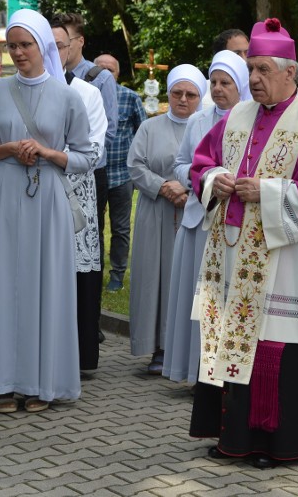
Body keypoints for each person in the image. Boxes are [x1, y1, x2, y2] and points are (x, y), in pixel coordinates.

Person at [188, 18, 298, 468]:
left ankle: (274, 443)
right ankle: (233, 437)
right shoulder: (237, 116)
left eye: (263, 70)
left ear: (289, 73)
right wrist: (215, 179)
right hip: (233, 252)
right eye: (252, 69)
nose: (255, 79)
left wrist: (266, 190)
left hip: (286, 261)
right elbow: (201, 162)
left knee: (272, 348)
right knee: (232, 337)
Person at [0, 9, 93, 413]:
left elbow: (88, 156)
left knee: (43, 287)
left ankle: (39, 383)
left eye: (25, 45)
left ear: (44, 46)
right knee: (1, 284)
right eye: (11, 46)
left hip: (46, 197)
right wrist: (3, 148)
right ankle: (1, 383)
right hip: (0, 196)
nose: (17, 53)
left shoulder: (68, 95)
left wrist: (49, 152)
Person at [162, 50, 251, 384]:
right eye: (213, 81)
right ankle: (196, 371)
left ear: (240, 84)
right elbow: (182, 163)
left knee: (225, 297)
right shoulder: (199, 120)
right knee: (198, 298)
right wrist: (208, 176)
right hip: (200, 219)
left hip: (234, 223)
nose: (217, 88)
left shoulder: (251, 120)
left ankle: (225, 373)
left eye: (225, 82)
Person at [127, 64, 206, 375]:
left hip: (193, 210)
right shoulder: (149, 128)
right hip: (155, 211)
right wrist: (163, 186)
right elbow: (135, 165)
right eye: (177, 93)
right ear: (168, 94)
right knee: (153, 278)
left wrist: (186, 189)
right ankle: (157, 347)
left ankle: (183, 347)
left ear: (201, 97)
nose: (183, 100)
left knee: (183, 278)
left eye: (190, 94)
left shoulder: (206, 128)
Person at [51, 23, 107, 372]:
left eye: (59, 46)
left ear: (71, 48)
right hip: (30, 193)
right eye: (47, 46)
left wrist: (47, 155)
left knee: (76, 277)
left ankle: (79, 355)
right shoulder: (13, 91)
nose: (53, 54)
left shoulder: (86, 93)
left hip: (74, 194)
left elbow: (95, 149)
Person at [94, 53, 146, 294]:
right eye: (100, 69)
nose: (105, 74)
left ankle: (117, 274)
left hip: (121, 175)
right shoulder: (86, 96)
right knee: (93, 226)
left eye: (110, 70)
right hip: (93, 173)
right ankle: (93, 271)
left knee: (120, 227)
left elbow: (142, 131)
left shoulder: (130, 97)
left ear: (117, 73)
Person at [201, 29, 249, 107]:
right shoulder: (202, 96)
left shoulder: (260, 90)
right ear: (221, 56)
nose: (244, 59)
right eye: (237, 54)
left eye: (247, 53)